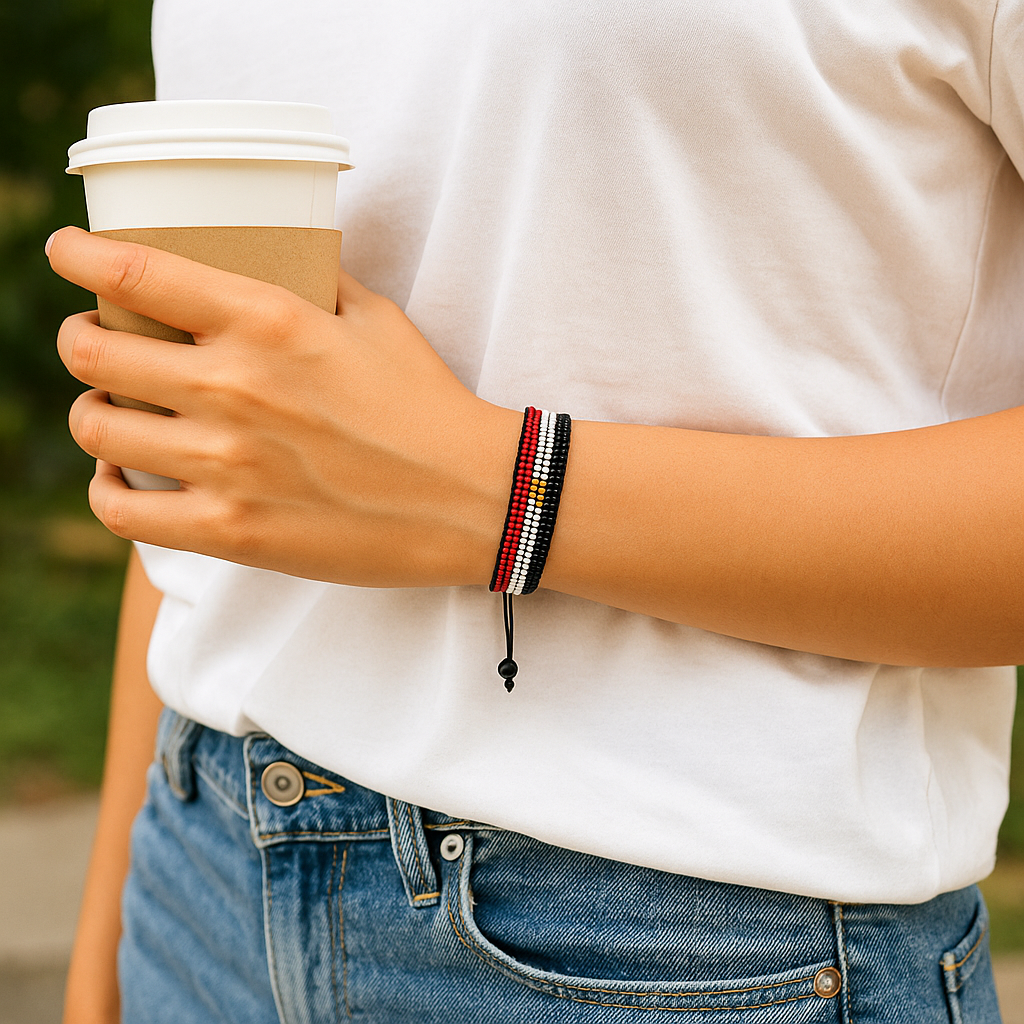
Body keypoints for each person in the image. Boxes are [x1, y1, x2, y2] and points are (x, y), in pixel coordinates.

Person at [52, 0, 1024, 1020]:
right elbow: (240, 445)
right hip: (199, 875)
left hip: (682, 943)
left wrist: (506, 489)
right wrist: (109, 937)